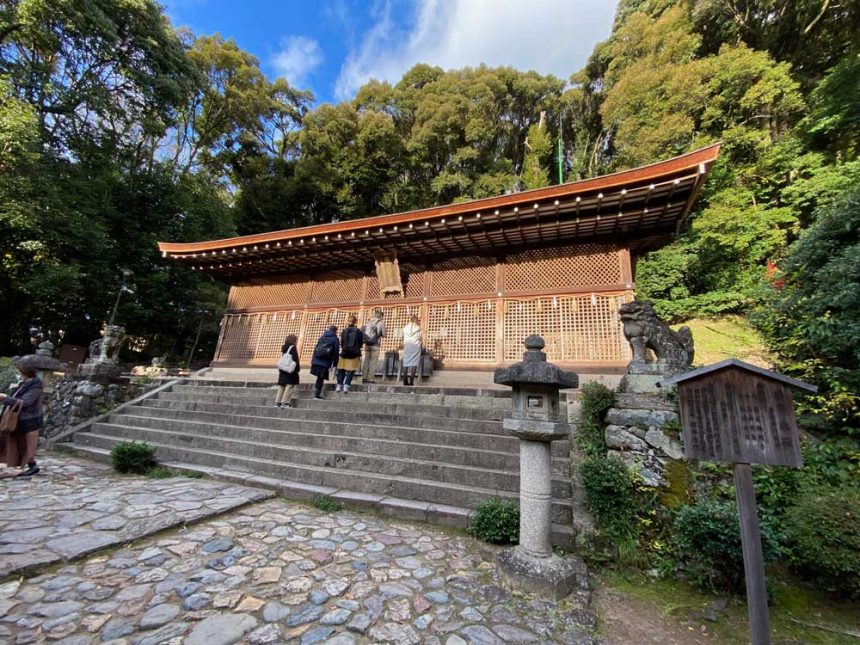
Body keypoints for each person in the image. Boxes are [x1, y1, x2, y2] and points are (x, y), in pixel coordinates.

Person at [0, 355, 43, 477]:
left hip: (29, 419)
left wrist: (5, 398)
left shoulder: (36, 385)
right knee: (18, 444)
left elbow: (26, 402)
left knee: (27, 445)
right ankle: (31, 466)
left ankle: (32, 466)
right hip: (19, 419)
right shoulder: (25, 382)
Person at [310, 325, 339, 399]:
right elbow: (336, 352)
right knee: (320, 378)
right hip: (325, 361)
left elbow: (316, 348)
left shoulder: (322, 337)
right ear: (335, 331)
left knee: (319, 378)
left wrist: (313, 360)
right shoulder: (335, 339)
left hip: (316, 359)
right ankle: (316, 394)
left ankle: (316, 393)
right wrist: (335, 362)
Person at [336, 315, 363, 393]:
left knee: (341, 369)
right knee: (351, 370)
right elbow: (361, 342)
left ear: (348, 321)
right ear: (356, 322)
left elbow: (342, 342)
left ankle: (339, 385)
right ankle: (346, 385)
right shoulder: (358, 331)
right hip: (354, 353)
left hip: (344, 353)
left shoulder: (344, 331)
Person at [360, 309, 386, 383]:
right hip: (375, 344)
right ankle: (370, 378)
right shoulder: (381, 323)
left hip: (367, 344)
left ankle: (364, 377)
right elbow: (384, 334)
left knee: (366, 361)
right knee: (373, 362)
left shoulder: (368, 322)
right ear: (381, 316)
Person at [275, 335, 300, 408]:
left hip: (283, 369)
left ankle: (277, 402)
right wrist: (297, 369)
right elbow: (295, 360)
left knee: (281, 386)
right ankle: (285, 402)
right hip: (289, 369)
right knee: (289, 386)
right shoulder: (293, 347)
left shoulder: (284, 348)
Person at [400, 315, 422, 386]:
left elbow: (402, 337)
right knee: (414, 363)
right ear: (416, 321)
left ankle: (405, 379)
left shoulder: (405, 328)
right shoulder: (418, 328)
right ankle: (411, 380)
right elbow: (420, 337)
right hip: (415, 347)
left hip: (407, 346)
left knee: (406, 362)